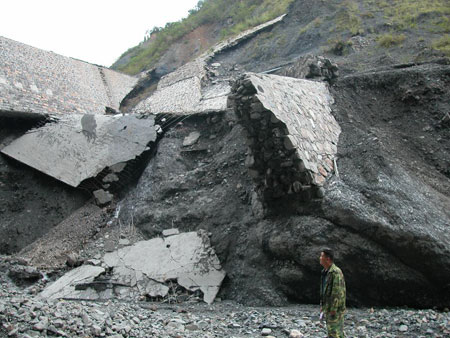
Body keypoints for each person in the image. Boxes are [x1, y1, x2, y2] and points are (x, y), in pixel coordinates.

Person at [320, 248, 346, 338]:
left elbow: (337, 292)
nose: (320, 258)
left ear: (327, 259)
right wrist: (323, 306)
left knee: (335, 333)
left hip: (335, 309)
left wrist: (333, 309)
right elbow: (325, 291)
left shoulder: (335, 272)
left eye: (321, 256)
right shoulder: (325, 272)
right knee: (334, 332)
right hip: (328, 307)